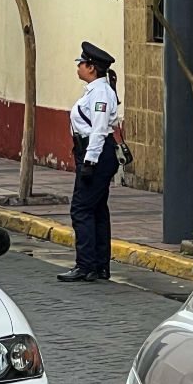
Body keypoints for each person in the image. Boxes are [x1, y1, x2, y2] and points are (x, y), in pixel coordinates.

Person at [57, 41, 120, 282]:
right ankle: (99, 266)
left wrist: (90, 162)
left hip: (97, 154)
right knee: (97, 210)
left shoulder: (101, 93)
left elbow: (99, 130)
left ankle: (86, 265)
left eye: (81, 63)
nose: (78, 67)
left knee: (81, 209)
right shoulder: (95, 91)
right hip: (93, 153)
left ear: (91, 67)